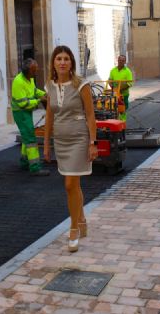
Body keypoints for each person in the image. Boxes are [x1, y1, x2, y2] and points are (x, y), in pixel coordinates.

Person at [43, 46, 98, 253]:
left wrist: (93, 143)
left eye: (66, 59)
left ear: (71, 63)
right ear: (54, 63)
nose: (63, 62)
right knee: (74, 184)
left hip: (79, 139)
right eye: (59, 58)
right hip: (61, 140)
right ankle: (82, 220)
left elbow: (91, 115)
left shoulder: (81, 84)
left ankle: (73, 228)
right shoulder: (49, 86)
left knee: (69, 184)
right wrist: (46, 144)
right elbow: (49, 116)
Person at [11, 58, 49, 177]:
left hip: (26, 112)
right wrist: (39, 100)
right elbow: (23, 103)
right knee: (31, 139)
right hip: (21, 112)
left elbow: (33, 91)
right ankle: (35, 167)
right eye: (34, 70)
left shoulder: (29, 78)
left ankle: (24, 162)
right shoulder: (18, 82)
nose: (36, 72)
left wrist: (44, 94)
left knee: (26, 135)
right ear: (28, 71)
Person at [108, 55, 134, 121]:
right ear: (117, 60)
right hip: (114, 94)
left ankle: (123, 125)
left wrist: (120, 89)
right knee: (113, 110)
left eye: (122, 61)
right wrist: (112, 86)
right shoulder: (113, 70)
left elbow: (130, 83)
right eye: (119, 60)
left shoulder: (128, 71)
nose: (121, 62)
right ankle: (115, 123)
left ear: (125, 62)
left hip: (124, 95)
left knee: (122, 110)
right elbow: (110, 80)